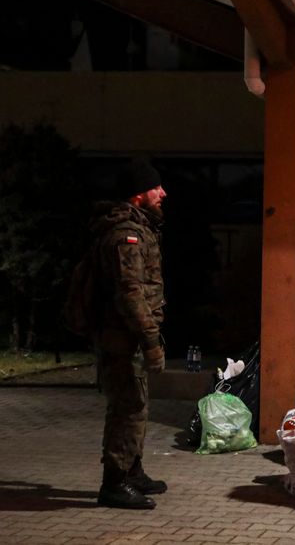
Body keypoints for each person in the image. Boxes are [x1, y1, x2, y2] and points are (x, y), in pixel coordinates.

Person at [92, 158, 169, 509]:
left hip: (128, 337)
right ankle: (115, 483)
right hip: (123, 338)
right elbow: (130, 293)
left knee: (135, 404)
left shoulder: (138, 227)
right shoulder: (128, 235)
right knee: (128, 407)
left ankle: (132, 470)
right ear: (139, 194)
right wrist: (151, 339)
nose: (163, 193)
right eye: (156, 187)